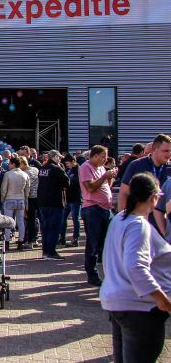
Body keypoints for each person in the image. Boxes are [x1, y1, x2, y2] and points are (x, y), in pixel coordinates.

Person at [100, 172, 171, 363]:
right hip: (139, 308)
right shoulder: (138, 225)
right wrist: (161, 297)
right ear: (153, 197)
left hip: (119, 301)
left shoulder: (121, 219)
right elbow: (135, 265)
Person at [80, 145, 117, 286]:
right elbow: (90, 187)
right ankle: (92, 274)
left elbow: (106, 186)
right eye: (103, 156)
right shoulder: (86, 167)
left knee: (107, 243)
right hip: (93, 209)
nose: (105, 159)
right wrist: (105, 176)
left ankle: (108, 273)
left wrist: (110, 176)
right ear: (95, 156)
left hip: (106, 209)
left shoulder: (101, 168)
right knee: (93, 244)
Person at [120, 134, 171, 232]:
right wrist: (123, 221)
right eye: (166, 151)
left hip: (165, 226)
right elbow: (124, 193)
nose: (169, 154)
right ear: (155, 149)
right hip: (139, 224)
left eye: (170, 151)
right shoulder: (136, 165)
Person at [37, 150, 70, 260]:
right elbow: (67, 183)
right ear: (55, 157)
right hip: (54, 202)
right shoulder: (57, 168)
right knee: (54, 227)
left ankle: (45, 251)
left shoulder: (42, 168)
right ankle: (51, 251)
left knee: (45, 228)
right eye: (59, 158)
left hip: (42, 202)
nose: (60, 160)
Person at [0, 156, 29, 250]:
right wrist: (25, 199)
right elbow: (27, 190)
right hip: (20, 199)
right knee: (20, 222)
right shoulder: (25, 175)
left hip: (9, 199)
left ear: (13, 164)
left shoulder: (8, 174)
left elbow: (4, 188)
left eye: (9, 163)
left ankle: (7, 242)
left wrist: (3, 198)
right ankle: (20, 241)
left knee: (8, 222)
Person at [60, 154, 82, 248]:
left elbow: (77, 184)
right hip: (68, 198)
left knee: (75, 219)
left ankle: (75, 239)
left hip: (75, 198)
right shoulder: (69, 170)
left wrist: (67, 185)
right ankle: (62, 237)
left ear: (74, 161)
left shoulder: (79, 171)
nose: (67, 165)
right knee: (63, 218)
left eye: (68, 163)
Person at [22, 156, 40, 249]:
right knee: (40, 219)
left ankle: (30, 240)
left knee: (31, 220)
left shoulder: (24, 173)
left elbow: (26, 188)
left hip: (30, 198)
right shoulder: (35, 169)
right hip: (39, 196)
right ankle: (38, 239)